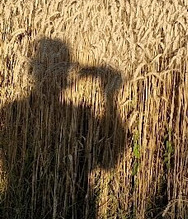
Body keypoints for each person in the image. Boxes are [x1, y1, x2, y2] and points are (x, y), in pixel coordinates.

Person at [0, 38, 128, 218]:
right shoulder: (80, 110)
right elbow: (110, 162)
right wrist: (110, 98)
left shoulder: (10, 108)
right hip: (80, 198)